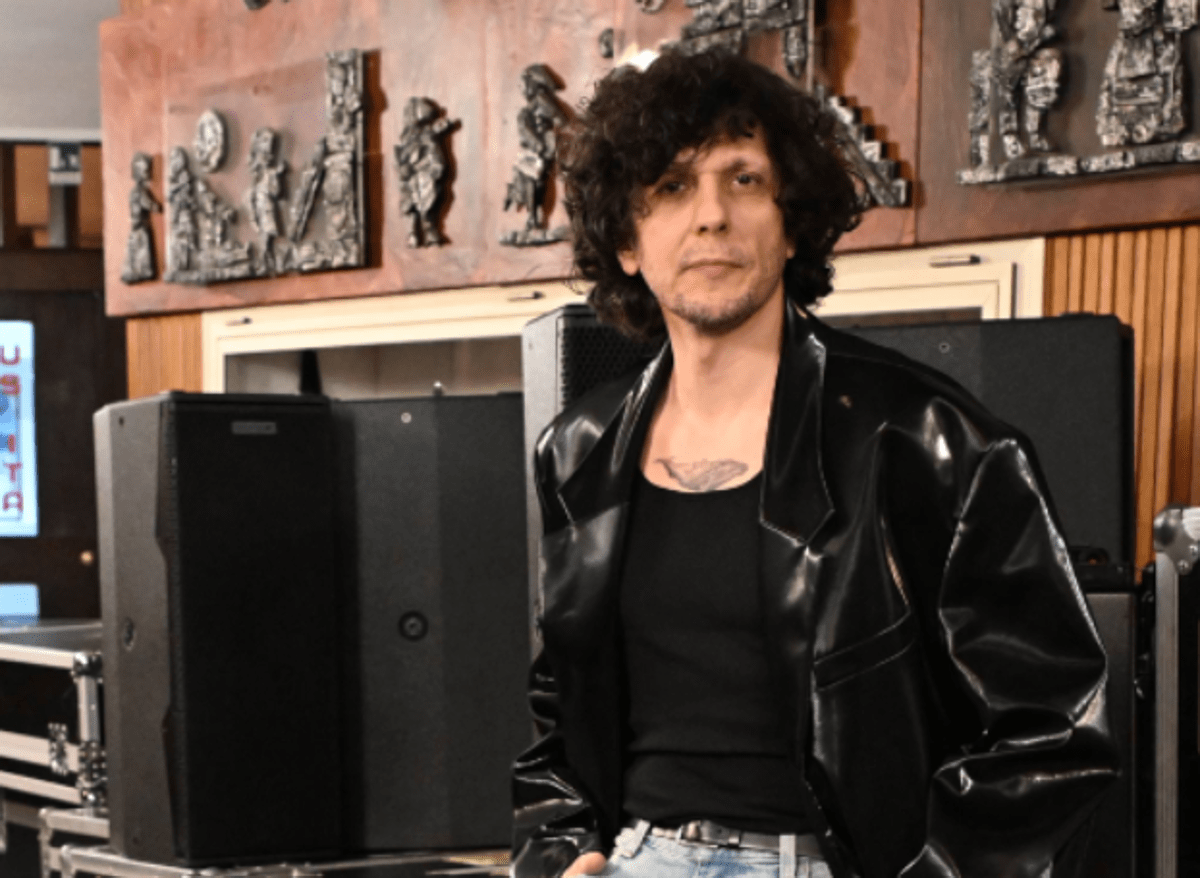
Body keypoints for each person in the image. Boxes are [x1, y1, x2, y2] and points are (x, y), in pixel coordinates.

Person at [512, 48, 1118, 878]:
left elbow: (1054, 729)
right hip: (635, 858)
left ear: (791, 220)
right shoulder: (577, 450)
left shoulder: (931, 438)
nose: (712, 216)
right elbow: (560, 707)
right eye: (672, 186)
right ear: (626, 240)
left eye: (745, 180)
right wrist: (561, 850)